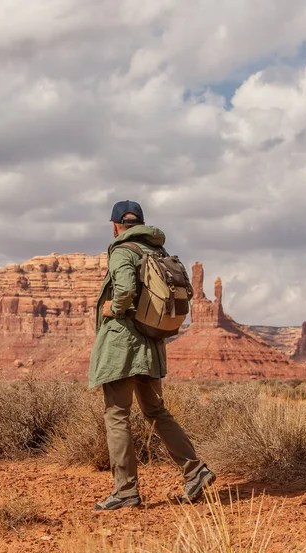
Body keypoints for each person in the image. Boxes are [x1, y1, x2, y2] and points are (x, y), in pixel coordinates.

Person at [88, 200, 215, 510]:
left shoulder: (121, 251)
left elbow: (126, 290)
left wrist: (114, 308)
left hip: (122, 346)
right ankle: (195, 471)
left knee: (117, 415)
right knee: (156, 411)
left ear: (115, 225)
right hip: (151, 343)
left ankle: (125, 492)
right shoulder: (155, 251)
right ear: (141, 224)